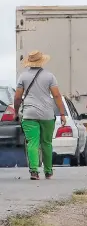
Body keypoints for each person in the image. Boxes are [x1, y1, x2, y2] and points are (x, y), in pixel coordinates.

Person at [14, 50, 66, 180]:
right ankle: (48, 171)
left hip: (29, 114)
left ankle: (34, 171)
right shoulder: (50, 76)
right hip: (47, 114)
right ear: (42, 61)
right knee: (46, 143)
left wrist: (16, 111)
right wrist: (62, 113)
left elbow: (17, 97)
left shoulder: (23, 77)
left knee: (32, 143)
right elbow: (57, 95)